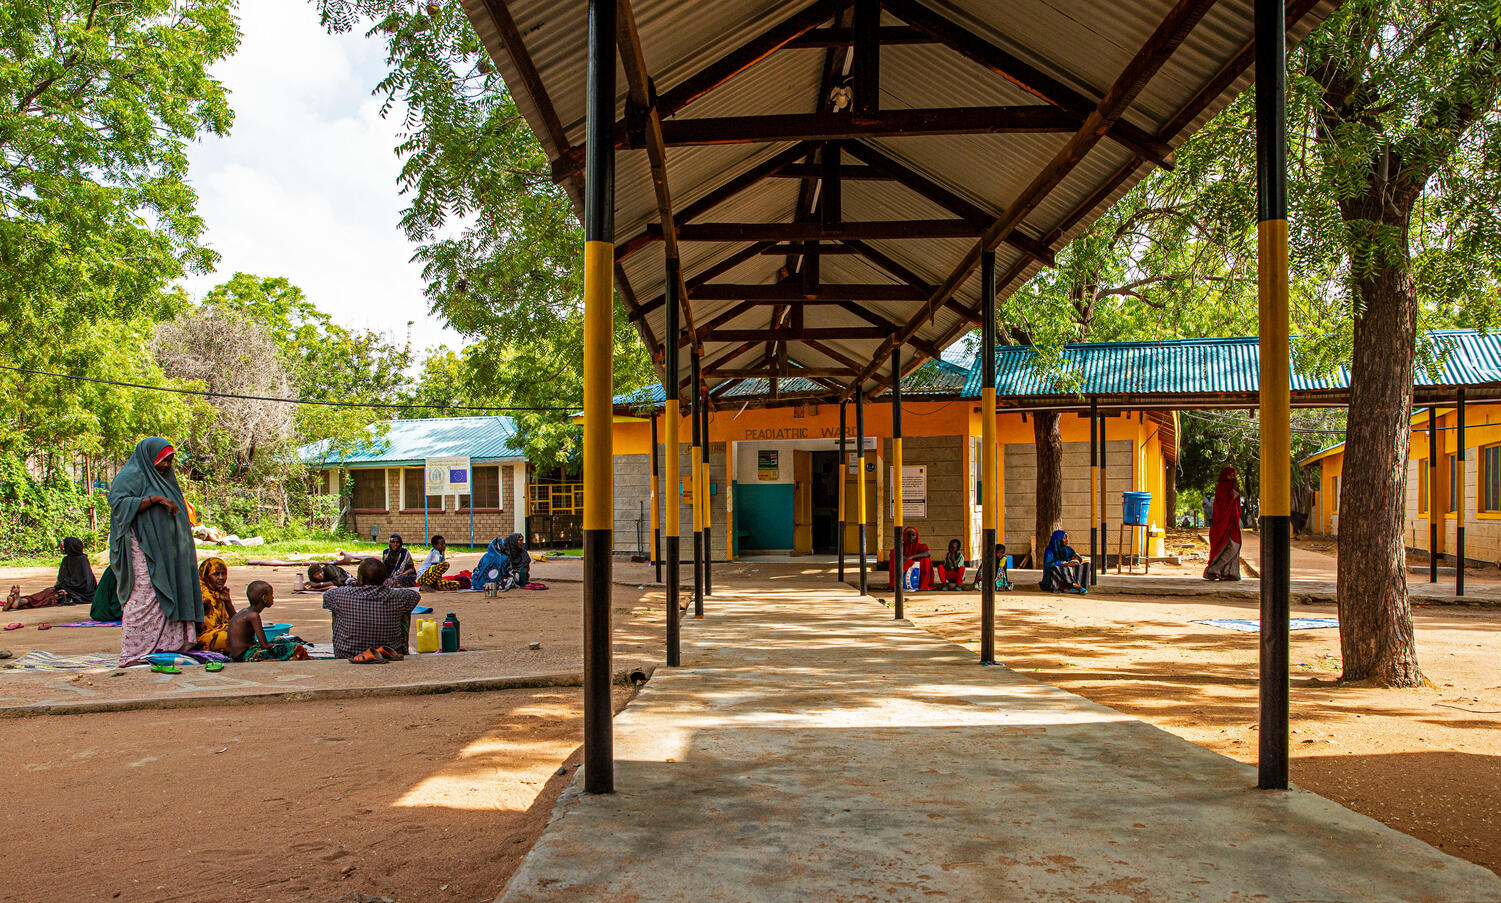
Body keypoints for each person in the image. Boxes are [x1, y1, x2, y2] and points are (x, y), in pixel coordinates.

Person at [109, 438, 203, 667]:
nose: (166, 466)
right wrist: (155, 500)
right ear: (150, 457)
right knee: (143, 595)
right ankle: (134, 652)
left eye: (170, 460)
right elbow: (118, 504)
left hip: (170, 552)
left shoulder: (165, 479)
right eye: (163, 460)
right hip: (142, 548)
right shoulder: (132, 475)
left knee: (171, 588)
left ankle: (167, 647)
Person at [323, 557, 421, 661]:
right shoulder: (397, 596)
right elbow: (415, 596)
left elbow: (328, 595)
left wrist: (354, 586)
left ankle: (344, 648)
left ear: (360, 578)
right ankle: (400, 648)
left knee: (335, 608)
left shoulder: (342, 595)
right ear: (384, 579)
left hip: (347, 654)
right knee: (405, 609)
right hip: (388, 652)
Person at [3, 537, 97, 611]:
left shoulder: (82, 560)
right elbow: (61, 579)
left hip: (81, 595)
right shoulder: (66, 560)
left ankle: (20, 602)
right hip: (68, 590)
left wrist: (66, 590)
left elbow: (86, 585)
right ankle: (20, 601)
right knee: (48, 592)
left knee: (51, 599)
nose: (62, 548)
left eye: (64, 546)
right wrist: (60, 588)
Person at [227, 581, 309, 662]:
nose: (273, 598)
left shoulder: (246, 611)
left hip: (239, 653)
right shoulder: (253, 616)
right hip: (243, 655)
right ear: (264, 598)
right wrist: (278, 646)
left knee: (281, 640)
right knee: (296, 647)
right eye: (271, 595)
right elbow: (264, 645)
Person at [1204, 465, 1244, 580]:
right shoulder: (1222, 487)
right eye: (1230, 474)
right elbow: (1223, 506)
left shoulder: (1233, 487)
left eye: (1233, 474)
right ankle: (1214, 569)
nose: (1233, 476)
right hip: (1222, 525)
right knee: (1229, 547)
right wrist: (1233, 492)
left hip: (1232, 523)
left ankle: (1228, 573)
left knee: (1234, 546)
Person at [196, 557, 235, 654]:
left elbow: (234, 619)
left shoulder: (219, 593)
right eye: (215, 574)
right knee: (229, 638)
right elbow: (210, 626)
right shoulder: (202, 595)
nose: (221, 578)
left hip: (220, 631)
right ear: (206, 576)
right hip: (203, 637)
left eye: (223, 574)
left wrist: (228, 602)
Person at [887, 527, 934, 591]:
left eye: (913, 535)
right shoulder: (900, 547)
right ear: (904, 536)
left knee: (926, 560)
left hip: (917, 567)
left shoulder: (921, 546)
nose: (911, 537)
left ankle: (923, 585)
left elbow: (927, 553)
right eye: (908, 535)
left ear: (916, 536)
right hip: (905, 568)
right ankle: (896, 584)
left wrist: (911, 557)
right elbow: (894, 555)